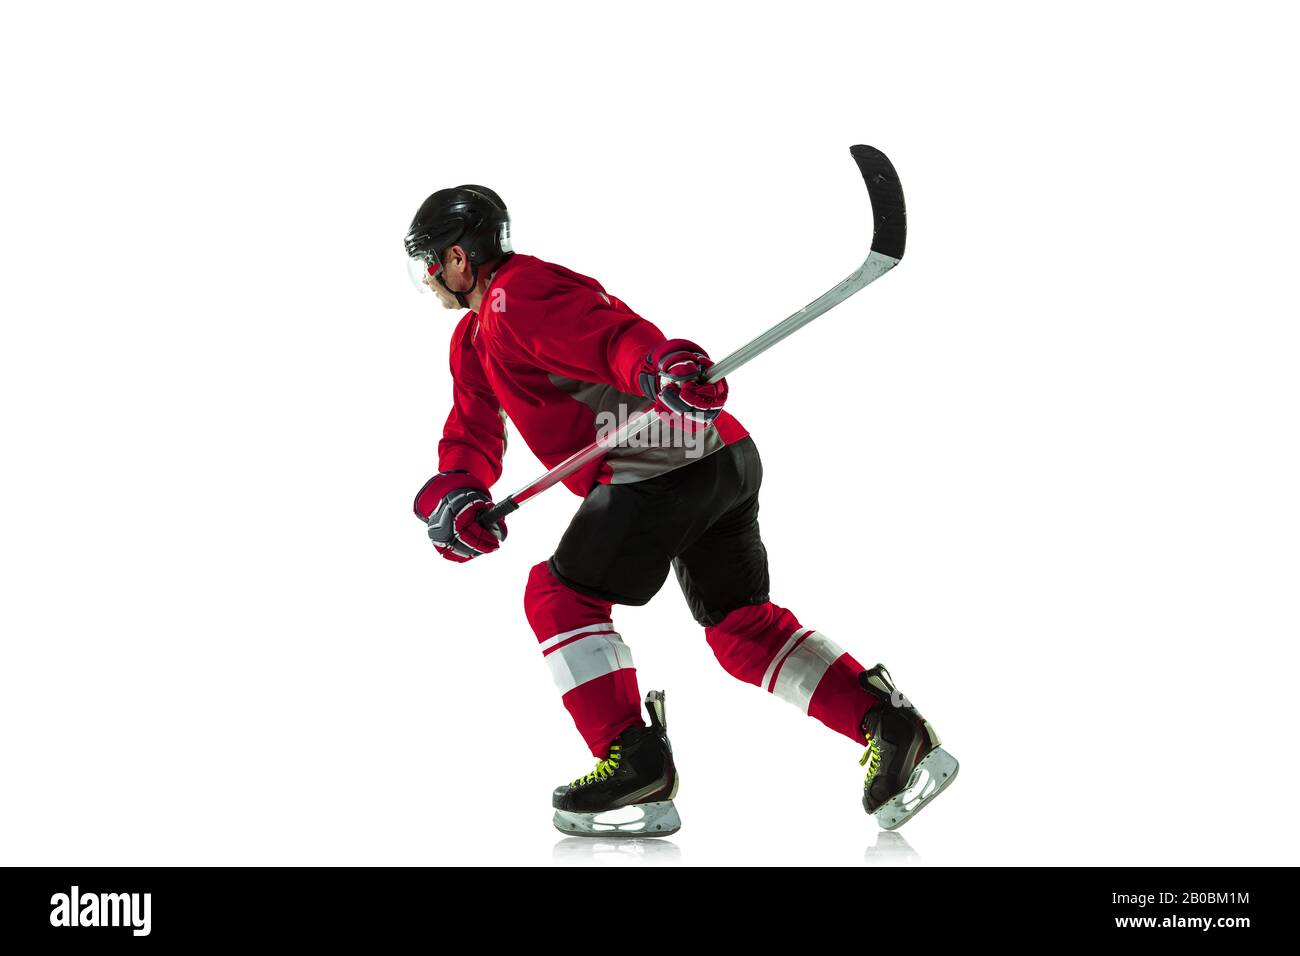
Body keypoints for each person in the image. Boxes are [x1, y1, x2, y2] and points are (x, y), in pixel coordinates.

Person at [404, 185, 957, 836]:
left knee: (557, 598)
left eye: (433, 262)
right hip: (719, 455)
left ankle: (634, 766)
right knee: (742, 630)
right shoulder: (475, 338)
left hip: (659, 464)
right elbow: (470, 430)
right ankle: (892, 728)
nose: (432, 277)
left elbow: (610, 339)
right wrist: (458, 493)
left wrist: (658, 366)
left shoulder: (516, 294)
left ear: (461, 259)